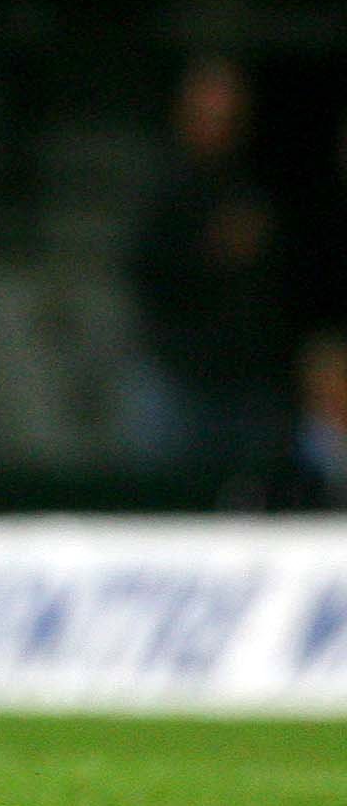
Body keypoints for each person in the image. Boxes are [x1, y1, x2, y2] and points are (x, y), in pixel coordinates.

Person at [125, 54, 294, 503]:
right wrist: (210, 251)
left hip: (249, 380)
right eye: (207, 110)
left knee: (253, 505)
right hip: (178, 376)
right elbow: (144, 273)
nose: (217, 123)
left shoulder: (258, 181)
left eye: (227, 112)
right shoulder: (160, 185)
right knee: (166, 505)